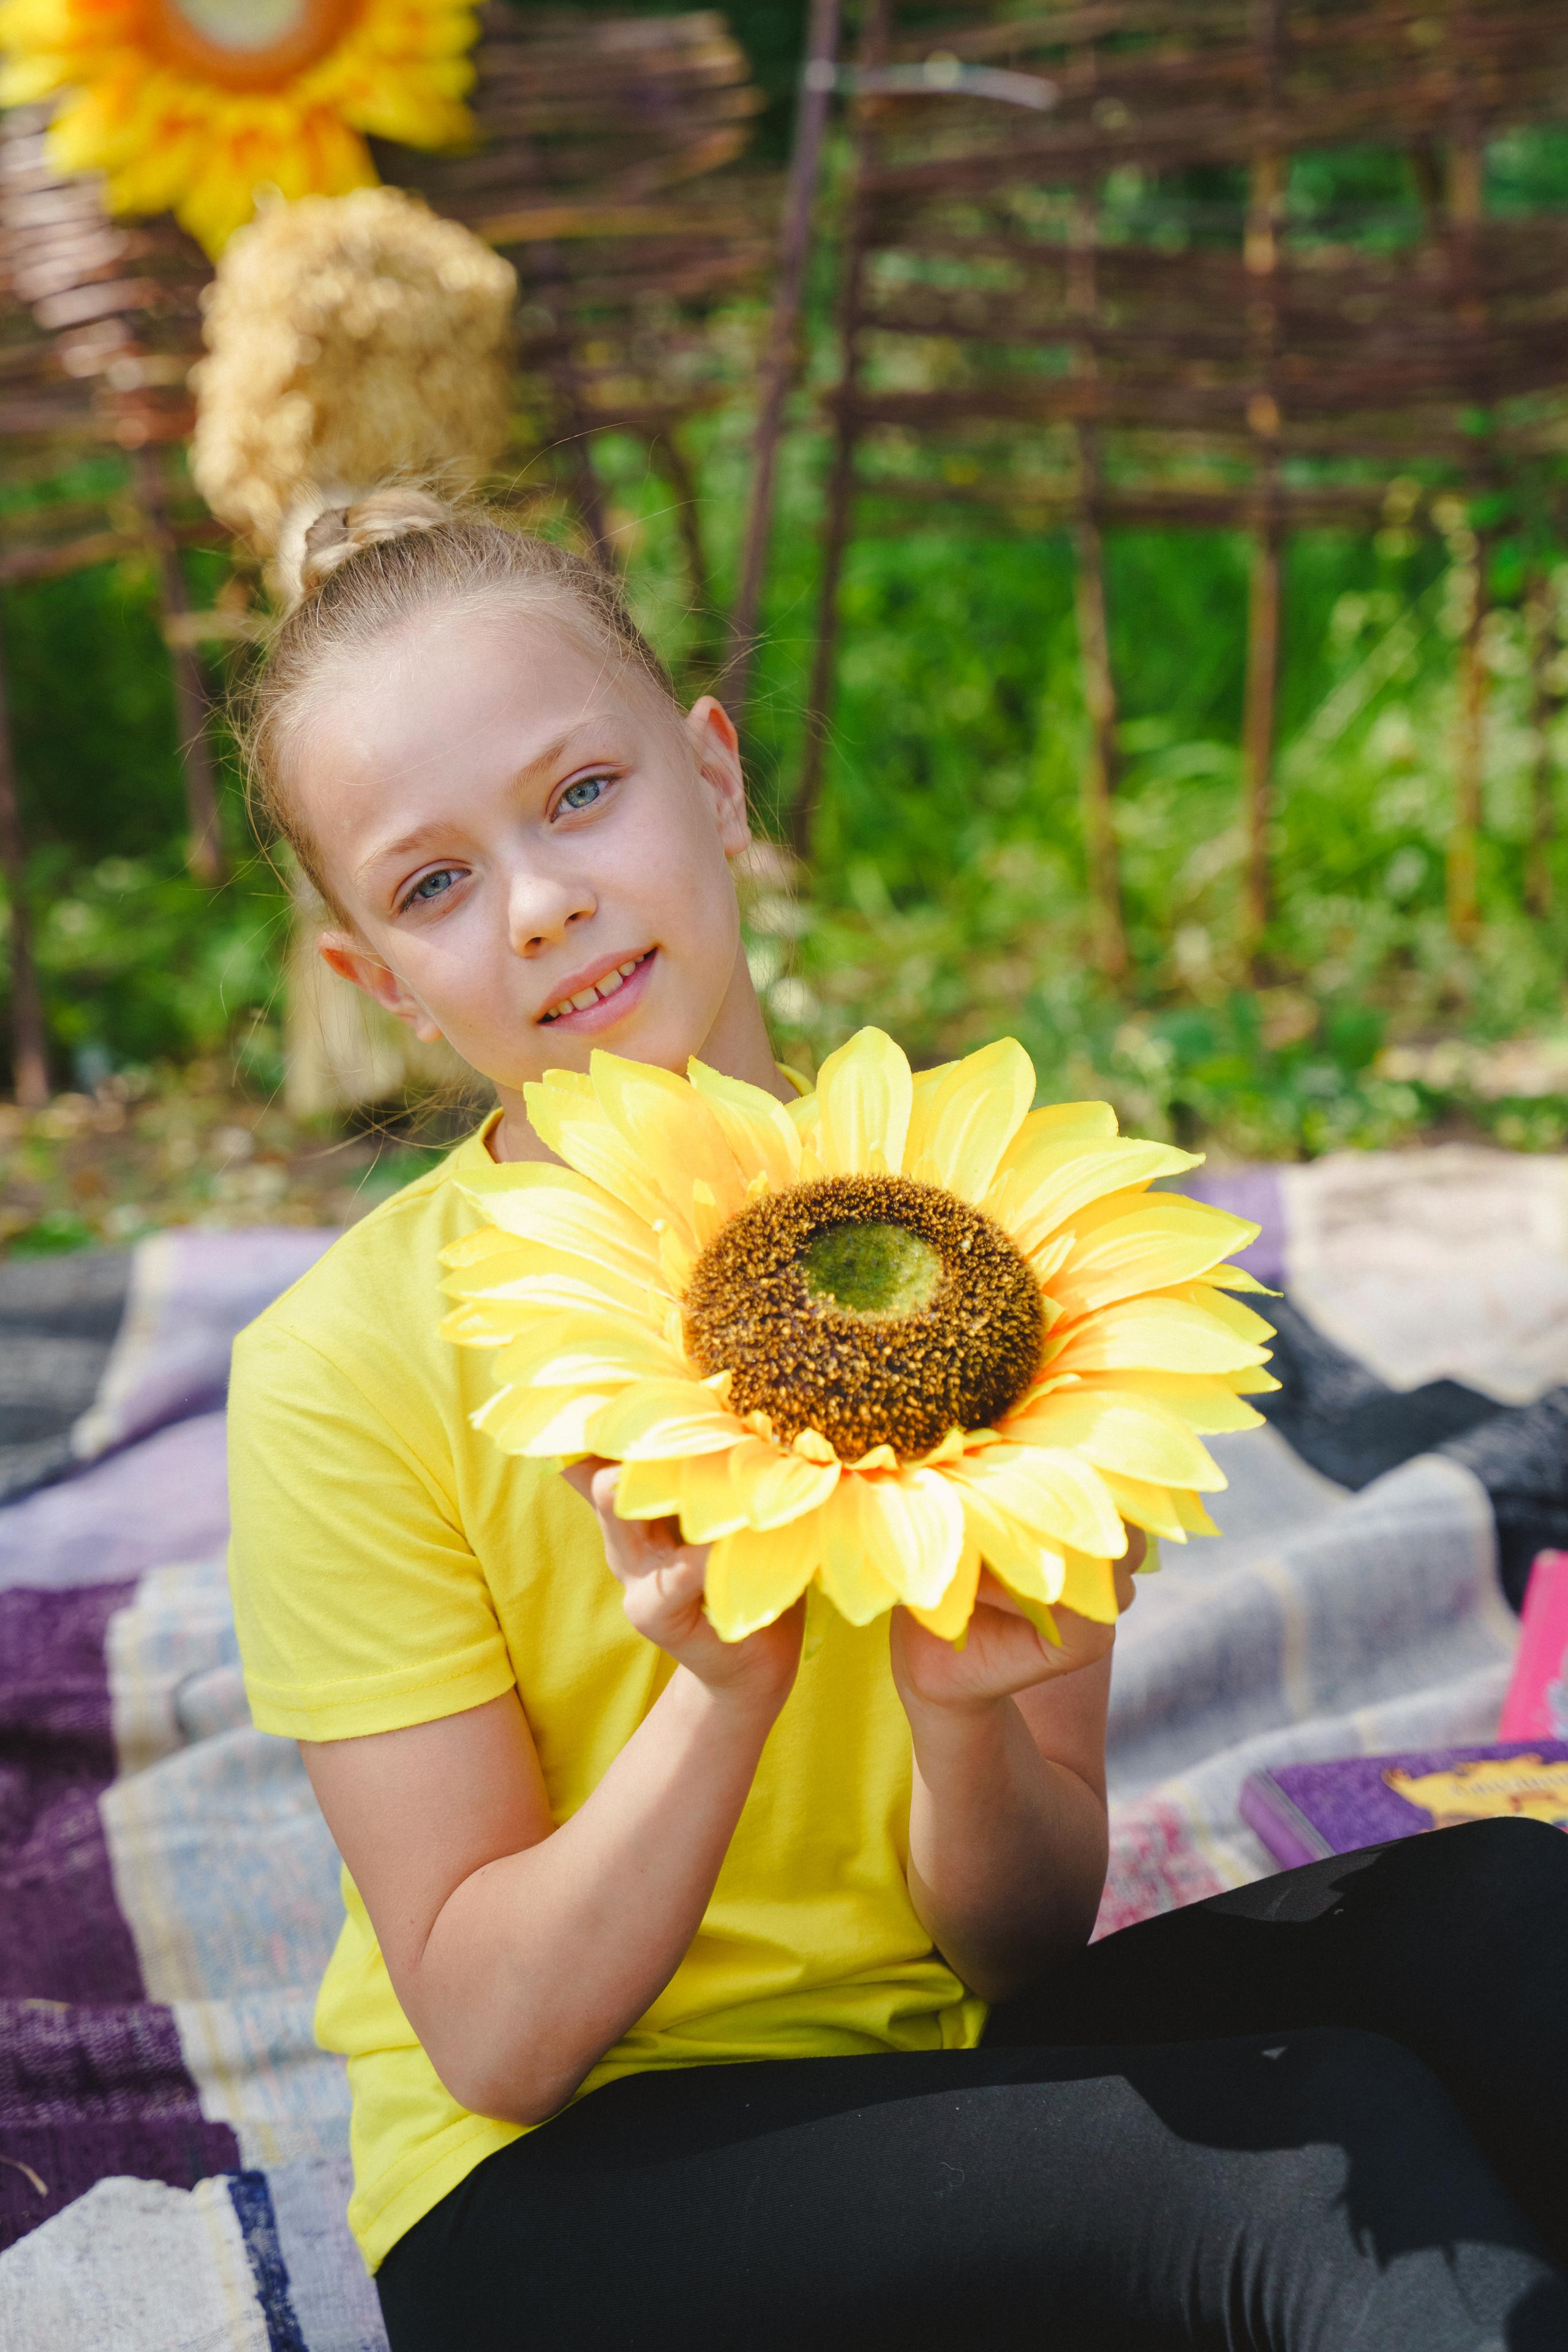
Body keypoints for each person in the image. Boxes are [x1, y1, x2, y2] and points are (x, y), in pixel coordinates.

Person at [227, 488, 1568, 2352]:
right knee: (1313, 2151)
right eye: (435, 885)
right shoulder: (347, 1368)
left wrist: (966, 1735)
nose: (541, 903)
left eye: (581, 794)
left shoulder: (995, 1247)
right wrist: (722, 1688)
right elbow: (497, 2038)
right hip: (562, 2193)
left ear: (715, 777)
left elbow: (1016, 1946)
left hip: (931, 2060)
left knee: (1520, 1918)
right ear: (379, 982)